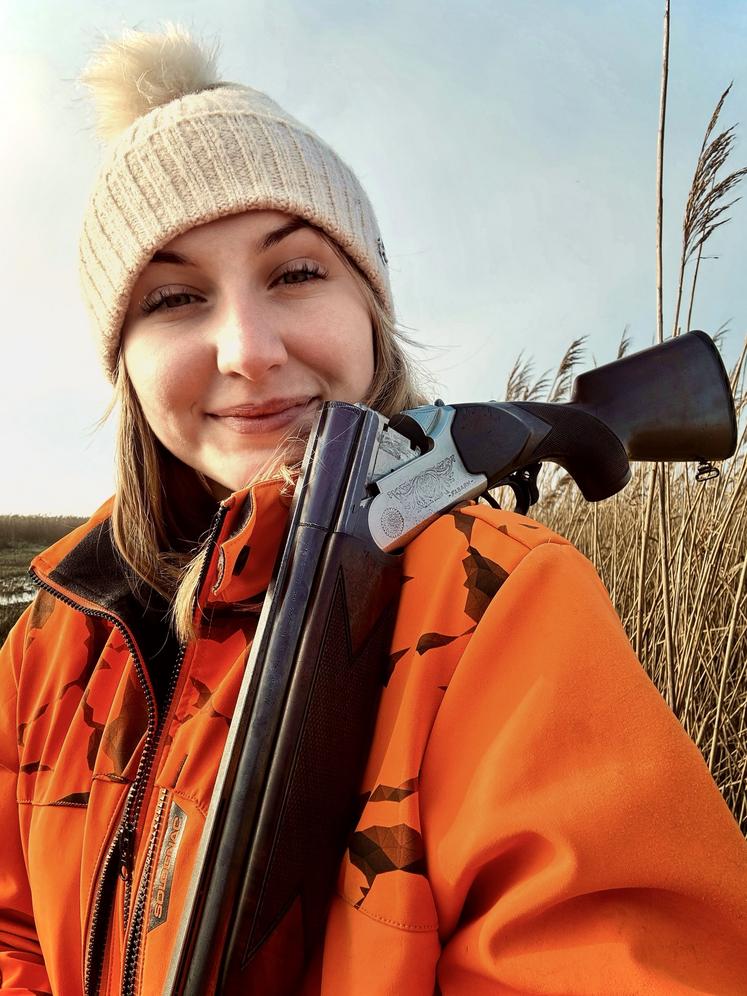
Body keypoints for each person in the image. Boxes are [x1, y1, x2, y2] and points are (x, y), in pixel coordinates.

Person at [1, 24, 745, 996]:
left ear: (369, 307)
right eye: (175, 297)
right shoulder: (51, 640)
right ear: (124, 361)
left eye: (296, 273)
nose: (248, 350)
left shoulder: (503, 598)